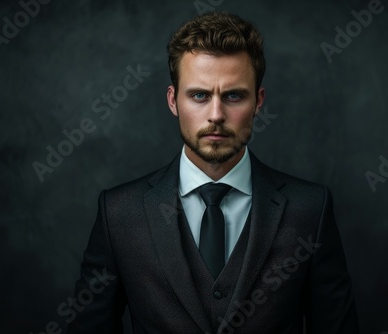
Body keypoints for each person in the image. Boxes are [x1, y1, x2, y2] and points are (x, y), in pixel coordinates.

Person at [67, 12, 359, 334]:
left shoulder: (309, 209)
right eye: (200, 95)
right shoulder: (120, 212)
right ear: (173, 101)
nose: (216, 115)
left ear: (258, 101)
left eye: (233, 95)